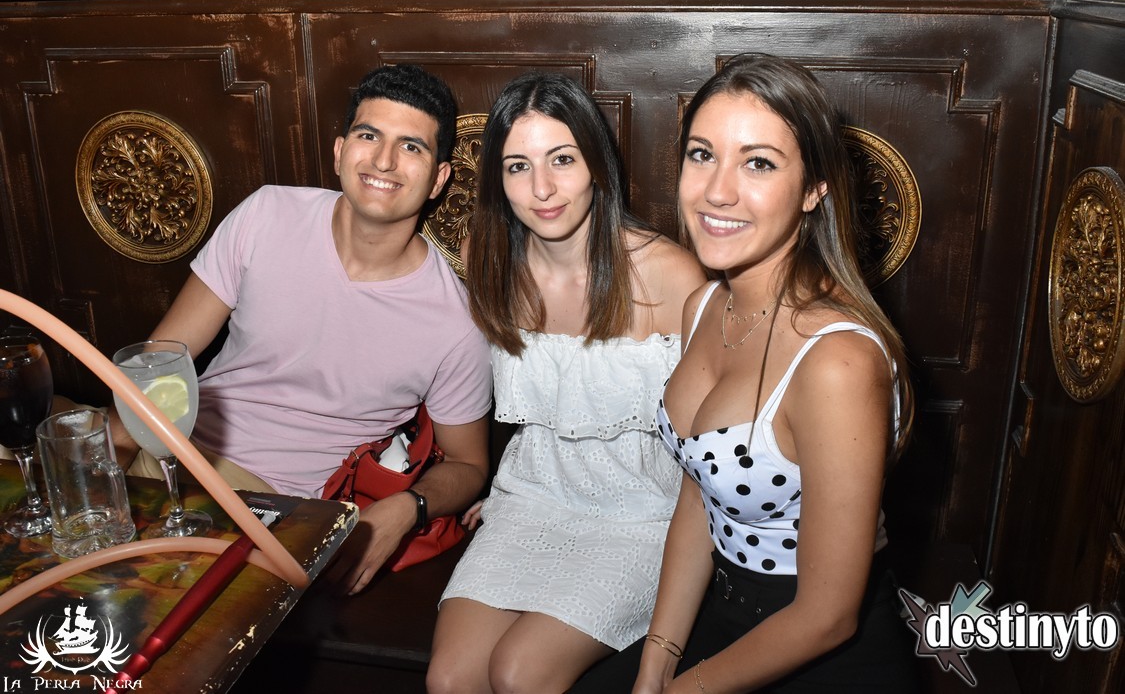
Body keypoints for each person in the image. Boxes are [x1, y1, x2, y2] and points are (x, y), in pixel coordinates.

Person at [571, 53, 919, 692]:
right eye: (702, 155)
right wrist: (656, 661)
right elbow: (699, 490)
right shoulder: (705, 305)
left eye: (758, 163)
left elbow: (827, 617)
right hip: (720, 612)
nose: (717, 190)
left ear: (814, 189)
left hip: (816, 653)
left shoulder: (838, 362)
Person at [115, 64, 493, 595]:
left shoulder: (455, 321)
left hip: (277, 510)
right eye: (369, 136)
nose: (384, 160)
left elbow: (470, 463)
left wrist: (408, 507)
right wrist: (109, 455)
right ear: (339, 152)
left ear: (438, 179)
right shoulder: (267, 214)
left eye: (411, 147)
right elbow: (161, 355)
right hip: (170, 458)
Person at [426, 73, 706, 694]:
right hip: (532, 498)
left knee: (519, 673)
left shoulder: (669, 276)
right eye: (518, 167)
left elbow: (713, 436)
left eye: (562, 159)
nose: (542, 189)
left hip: (644, 515)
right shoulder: (487, 259)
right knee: (449, 680)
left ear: (597, 165)